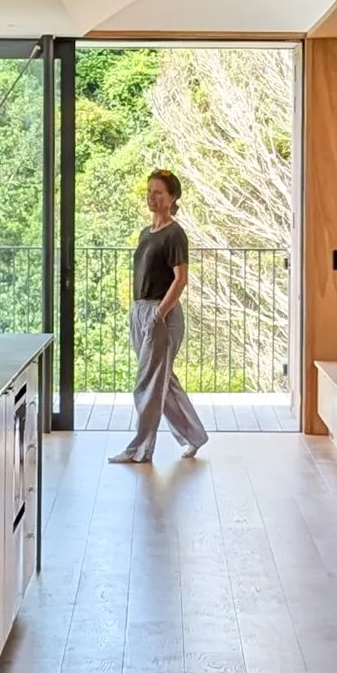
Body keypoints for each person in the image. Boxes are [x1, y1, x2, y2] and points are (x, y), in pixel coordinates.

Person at [108, 168, 208, 464]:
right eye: (149, 191)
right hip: (141, 311)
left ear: (172, 198)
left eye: (158, 192)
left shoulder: (175, 234)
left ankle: (140, 448)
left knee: (147, 384)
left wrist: (159, 314)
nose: (152, 197)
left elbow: (180, 279)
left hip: (161, 314)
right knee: (162, 382)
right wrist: (138, 313)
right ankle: (194, 436)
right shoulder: (145, 232)